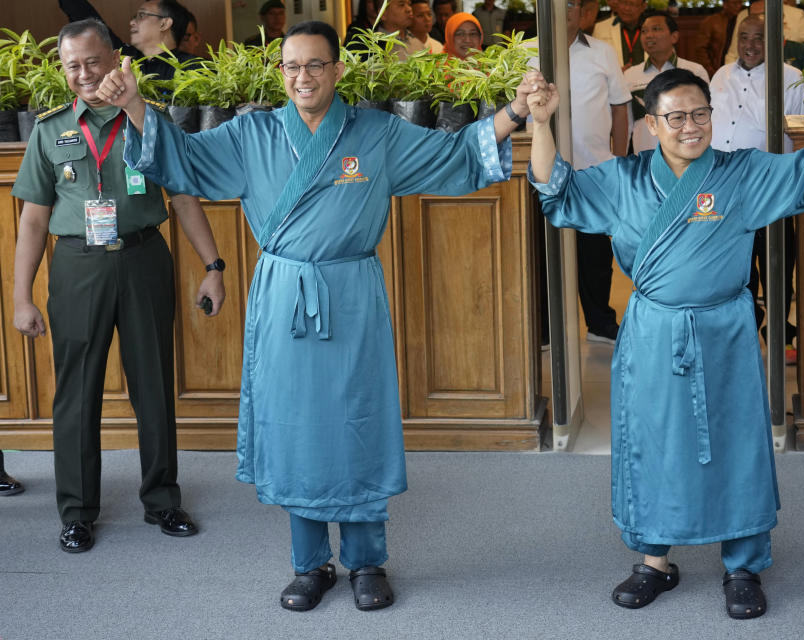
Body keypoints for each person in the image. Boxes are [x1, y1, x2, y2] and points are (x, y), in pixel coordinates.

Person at [98, 19, 530, 612]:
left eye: (316, 65)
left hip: (351, 295)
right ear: (281, 73)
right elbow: (185, 161)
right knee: (296, 426)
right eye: (292, 66)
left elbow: (455, 155)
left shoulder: (376, 132)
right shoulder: (251, 133)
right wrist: (138, 105)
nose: (303, 77)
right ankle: (309, 564)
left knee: (357, 422)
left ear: (338, 70)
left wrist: (517, 109)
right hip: (282, 296)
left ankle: (367, 561)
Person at [525, 64, 804, 618]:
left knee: (738, 444)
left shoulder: (741, 173)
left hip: (726, 333)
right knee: (652, 442)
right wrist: (541, 123)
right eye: (675, 117)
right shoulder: (622, 179)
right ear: (651, 123)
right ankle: (653, 561)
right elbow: (555, 188)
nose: (690, 126)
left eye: (700, 114)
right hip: (652, 333)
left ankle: (743, 564)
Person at [11, 18, 225, 553]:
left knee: (153, 383)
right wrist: (20, 296)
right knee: (76, 393)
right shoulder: (49, 130)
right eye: (72, 66)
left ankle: (162, 500)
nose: (83, 74)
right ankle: (77, 511)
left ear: (115, 59)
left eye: (93, 62)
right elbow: (33, 220)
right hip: (77, 266)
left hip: (143, 258)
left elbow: (182, 198)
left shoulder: (148, 122)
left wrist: (214, 265)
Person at [711, 15, 804, 361]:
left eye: (759, 38)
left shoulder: (793, 79)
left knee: (776, 264)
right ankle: (743, 330)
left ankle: (779, 332)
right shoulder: (721, 75)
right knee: (735, 265)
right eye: (744, 37)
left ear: (776, 42)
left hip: (772, 186)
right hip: (726, 187)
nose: (751, 45)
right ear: (736, 41)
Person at [532, 0, 631, 345]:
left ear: (584, 11)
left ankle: (599, 323)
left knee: (594, 253)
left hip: (593, 168)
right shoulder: (526, 51)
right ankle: (543, 328)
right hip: (540, 169)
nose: (565, 10)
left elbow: (620, 109)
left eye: (571, 3)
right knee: (540, 252)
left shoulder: (603, 52)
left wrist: (618, 160)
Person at [624, 11, 709, 152]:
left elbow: (704, 118)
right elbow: (626, 125)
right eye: (644, 31)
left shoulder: (695, 71)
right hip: (645, 157)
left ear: (674, 37)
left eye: (656, 29)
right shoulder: (630, 75)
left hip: (687, 156)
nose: (649, 35)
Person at [58, 0, 196, 81]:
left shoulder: (197, 68)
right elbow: (83, 14)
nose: (132, 22)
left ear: (164, 24)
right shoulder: (127, 58)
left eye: (142, 16)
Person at [723, 0, 804, 65]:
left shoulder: (794, 15)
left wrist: (798, 57)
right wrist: (732, 78)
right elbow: (733, 54)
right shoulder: (743, 15)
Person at [692, 0, 743, 77]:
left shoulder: (743, 20)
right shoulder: (711, 22)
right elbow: (700, 49)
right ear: (725, 4)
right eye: (734, 3)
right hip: (716, 69)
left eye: (740, 3)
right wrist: (711, 71)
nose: (738, 6)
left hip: (737, 69)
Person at [592, 0, 648, 70]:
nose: (627, 8)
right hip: (612, 79)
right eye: (623, 2)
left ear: (643, 6)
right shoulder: (600, 28)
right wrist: (615, 74)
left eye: (632, 4)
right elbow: (594, 62)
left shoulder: (654, 29)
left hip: (649, 79)